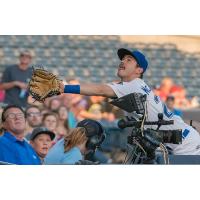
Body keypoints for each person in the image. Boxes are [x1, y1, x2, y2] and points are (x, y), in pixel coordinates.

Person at [57, 48, 200, 155]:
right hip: (179, 139)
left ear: (139, 70)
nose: (122, 61)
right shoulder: (134, 85)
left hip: (183, 145)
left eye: (129, 60)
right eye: (123, 59)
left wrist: (65, 87)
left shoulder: (134, 84)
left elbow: (100, 89)